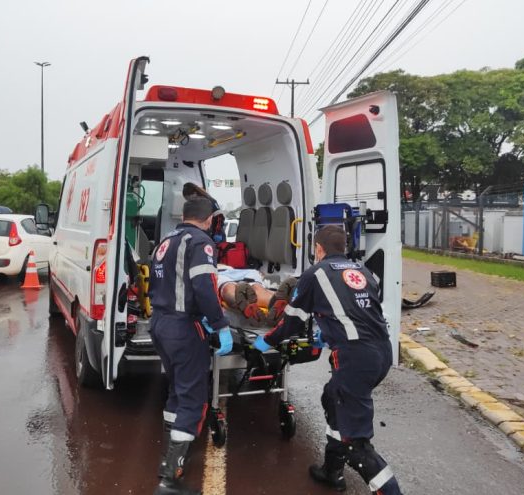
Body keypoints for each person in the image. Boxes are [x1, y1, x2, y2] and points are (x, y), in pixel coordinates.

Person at [252, 225, 402, 494]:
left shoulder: (315, 274)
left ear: (318, 248)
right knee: (333, 398)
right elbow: (357, 311)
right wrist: (329, 333)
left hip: (355, 358)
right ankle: (332, 471)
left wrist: (265, 342)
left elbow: (292, 322)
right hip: (381, 353)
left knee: (357, 444)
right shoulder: (363, 271)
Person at [149, 197, 234, 495]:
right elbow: (205, 285)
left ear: (184, 215)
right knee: (193, 400)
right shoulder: (201, 241)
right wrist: (220, 323)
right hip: (183, 328)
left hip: (160, 323)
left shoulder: (166, 240)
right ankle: (169, 480)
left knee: (177, 392)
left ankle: (167, 462)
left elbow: (156, 286)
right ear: (209, 219)